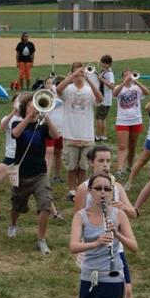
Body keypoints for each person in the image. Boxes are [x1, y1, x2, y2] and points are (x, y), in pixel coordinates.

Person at [73, 146, 137, 298]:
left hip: (116, 250)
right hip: (92, 251)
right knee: (88, 292)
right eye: (101, 161)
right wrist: (80, 249)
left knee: (127, 290)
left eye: (108, 161)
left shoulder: (115, 187)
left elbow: (133, 213)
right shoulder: (83, 189)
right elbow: (77, 218)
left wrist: (122, 208)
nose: (106, 165)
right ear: (92, 162)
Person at [8, 93, 60, 254]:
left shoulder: (42, 126)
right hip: (22, 174)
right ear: (25, 108)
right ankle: (13, 225)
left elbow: (56, 135)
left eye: (36, 105)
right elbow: (15, 133)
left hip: (40, 174)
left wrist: (47, 117)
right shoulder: (18, 122)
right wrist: (28, 118)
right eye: (31, 105)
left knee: (45, 204)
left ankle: (41, 239)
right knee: (17, 206)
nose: (34, 107)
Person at [56, 62, 104, 201]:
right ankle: (72, 191)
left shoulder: (89, 90)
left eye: (81, 72)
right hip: (70, 134)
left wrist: (89, 79)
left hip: (86, 135)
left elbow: (100, 98)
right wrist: (72, 76)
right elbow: (58, 89)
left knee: (83, 166)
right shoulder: (68, 89)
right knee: (71, 166)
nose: (79, 75)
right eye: (77, 72)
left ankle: (82, 189)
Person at [0, 94, 21, 222]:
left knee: (30, 188)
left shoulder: (30, 118)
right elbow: (1, 128)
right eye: (17, 101)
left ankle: (53, 212)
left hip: (24, 158)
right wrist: (13, 112)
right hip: (10, 157)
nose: (19, 104)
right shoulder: (8, 118)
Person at [112, 70, 150, 180]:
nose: (128, 76)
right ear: (122, 77)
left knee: (132, 146)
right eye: (125, 75)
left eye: (130, 74)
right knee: (122, 146)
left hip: (136, 120)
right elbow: (115, 93)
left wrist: (136, 82)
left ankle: (129, 166)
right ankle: (120, 170)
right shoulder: (119, 87)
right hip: (122, 121)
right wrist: (124, 83)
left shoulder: (137, 88)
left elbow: (147, 92)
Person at [95, 55, 115, 142]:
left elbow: (112, 86)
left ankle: (98, 136)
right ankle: (103, 135)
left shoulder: (110, 73)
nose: (101, 64)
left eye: (102, 62)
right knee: (103, 119)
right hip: (103, 98)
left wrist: (102, 80)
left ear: (107, 64)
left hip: (104, 99)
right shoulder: (104, 72)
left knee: (99, 118)